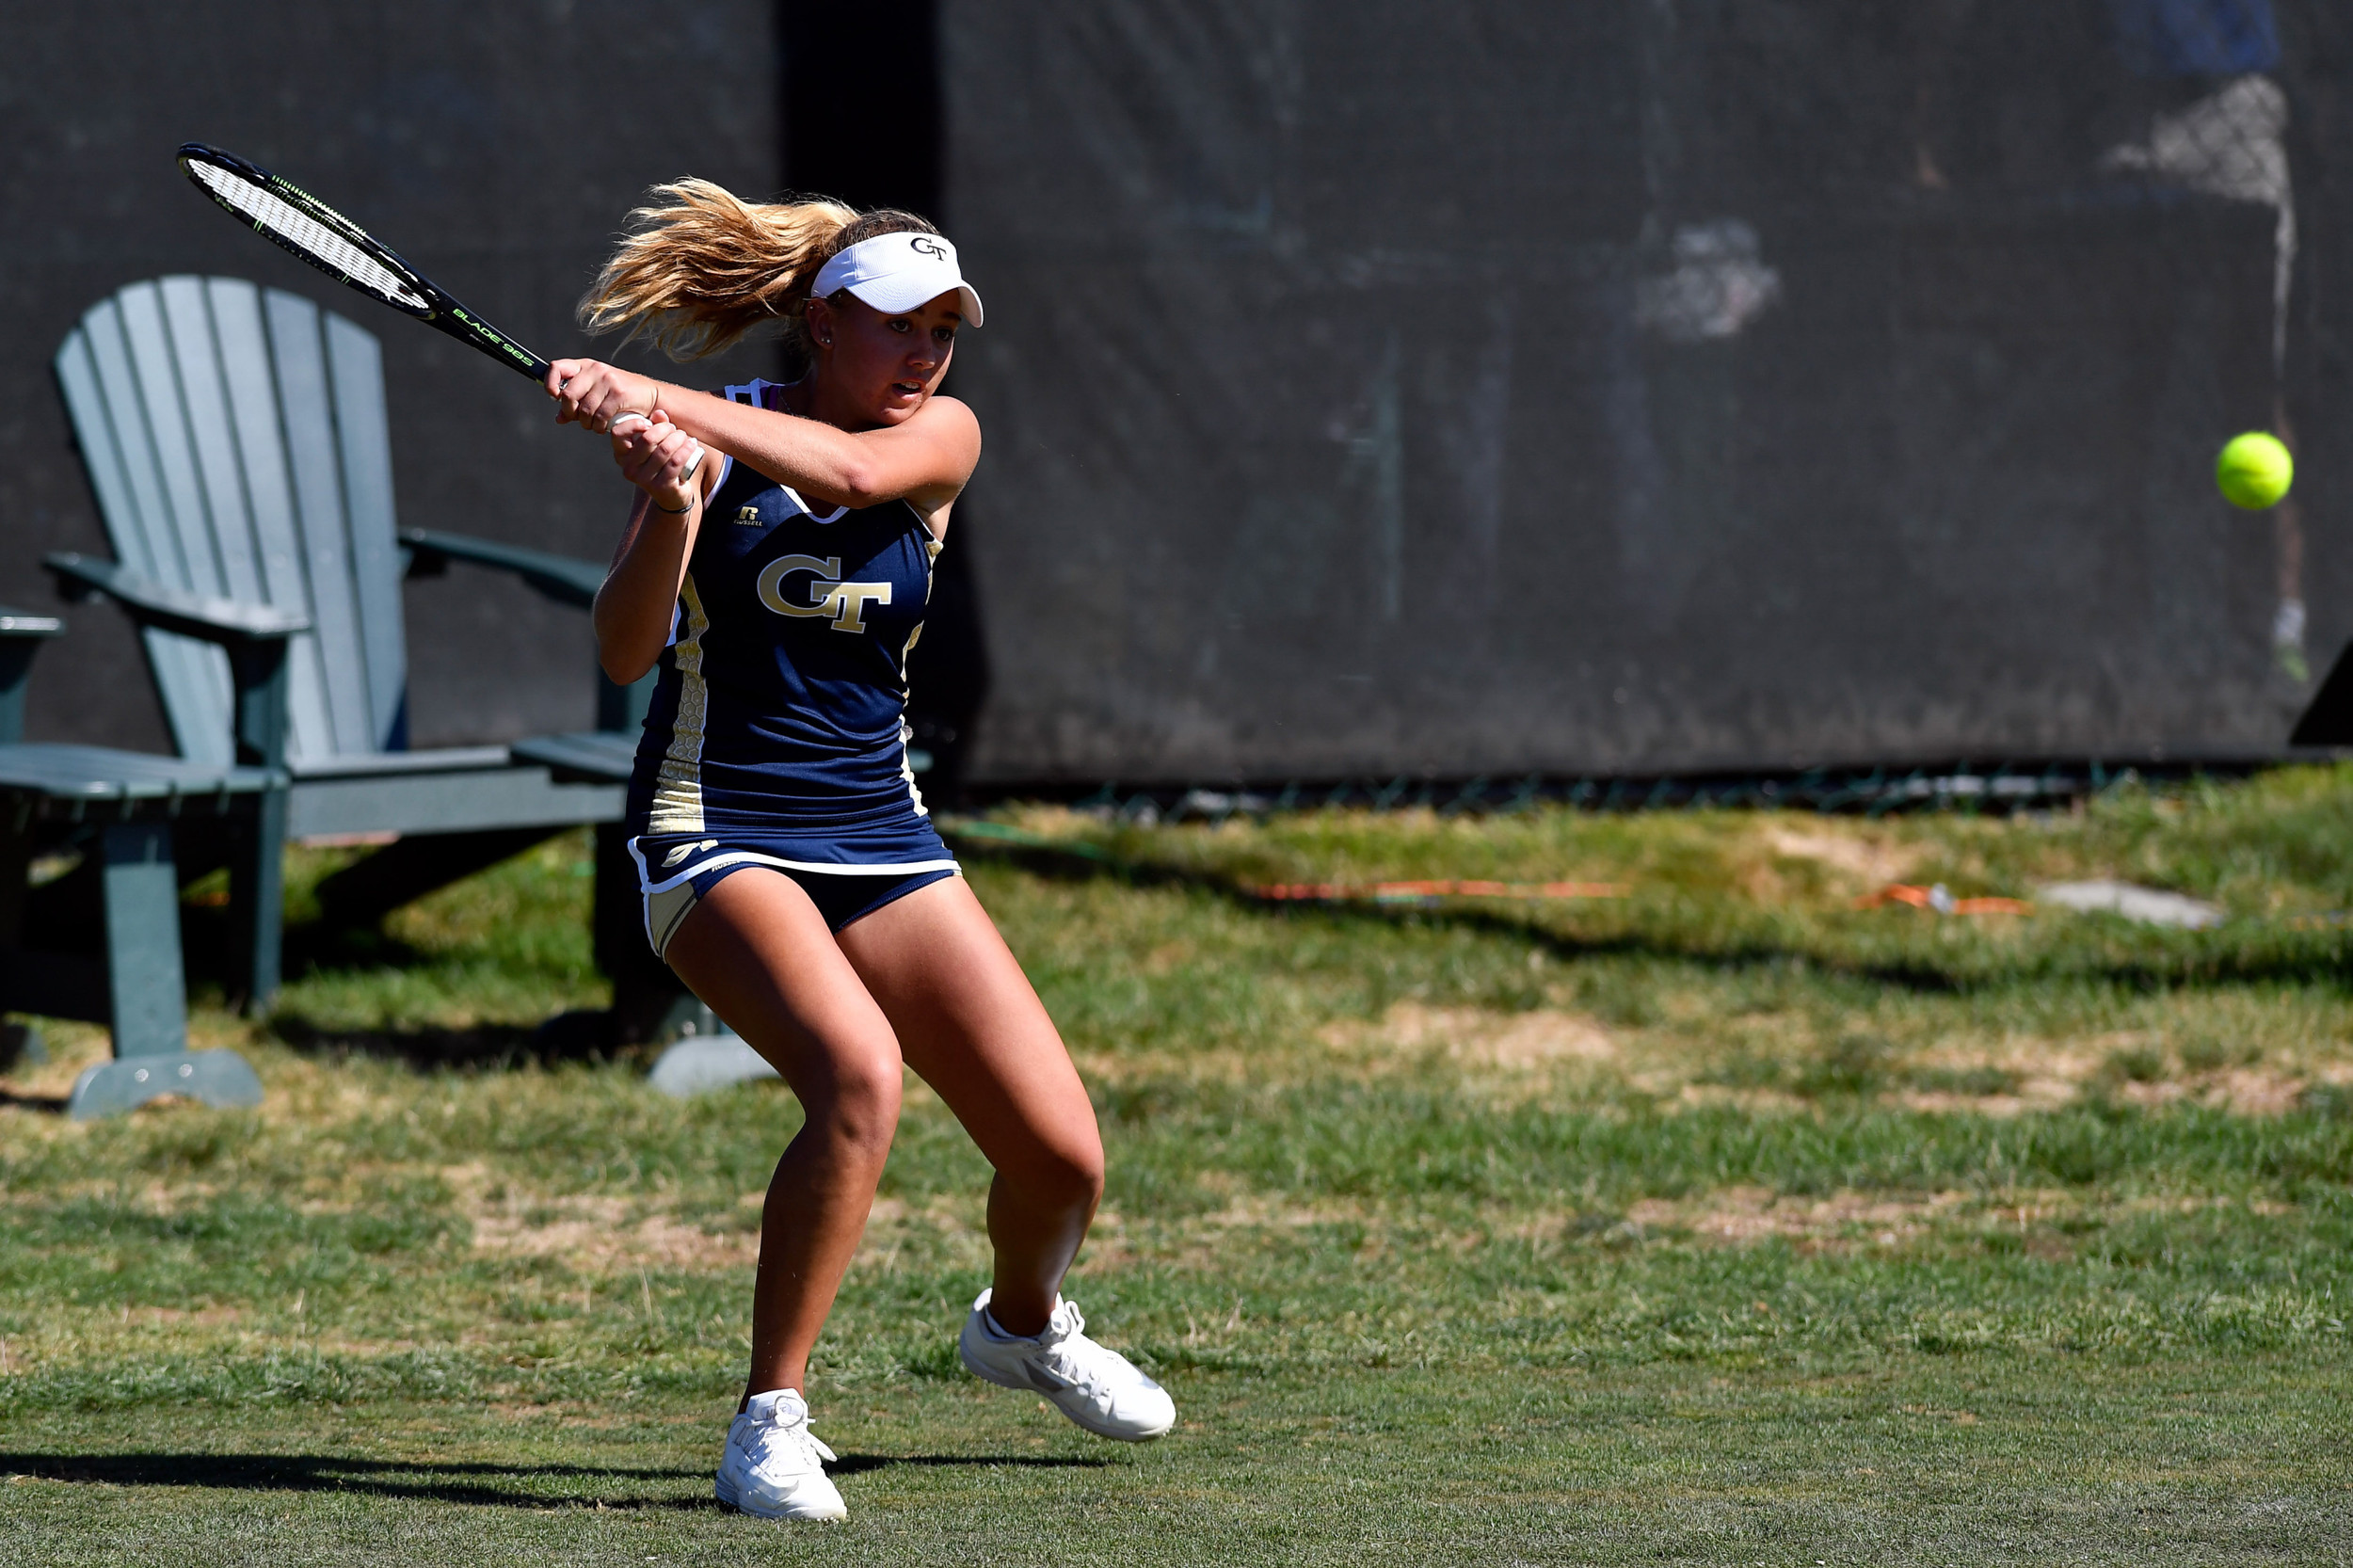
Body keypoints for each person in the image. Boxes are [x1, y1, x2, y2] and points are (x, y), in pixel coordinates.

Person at [546, 181, 1173, 1523]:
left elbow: (846, 478)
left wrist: (644, 393)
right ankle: (769, 1419)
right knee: (857, 1075)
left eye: (947, 325)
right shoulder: (713, 453)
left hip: (876, 827)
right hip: (712, 830)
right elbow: (620, 652)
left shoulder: (940, 438)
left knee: (1063, 1157)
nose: (929, 352)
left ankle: (1021, 1324)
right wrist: (665, 499)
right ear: (825, 322)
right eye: (901, 325)